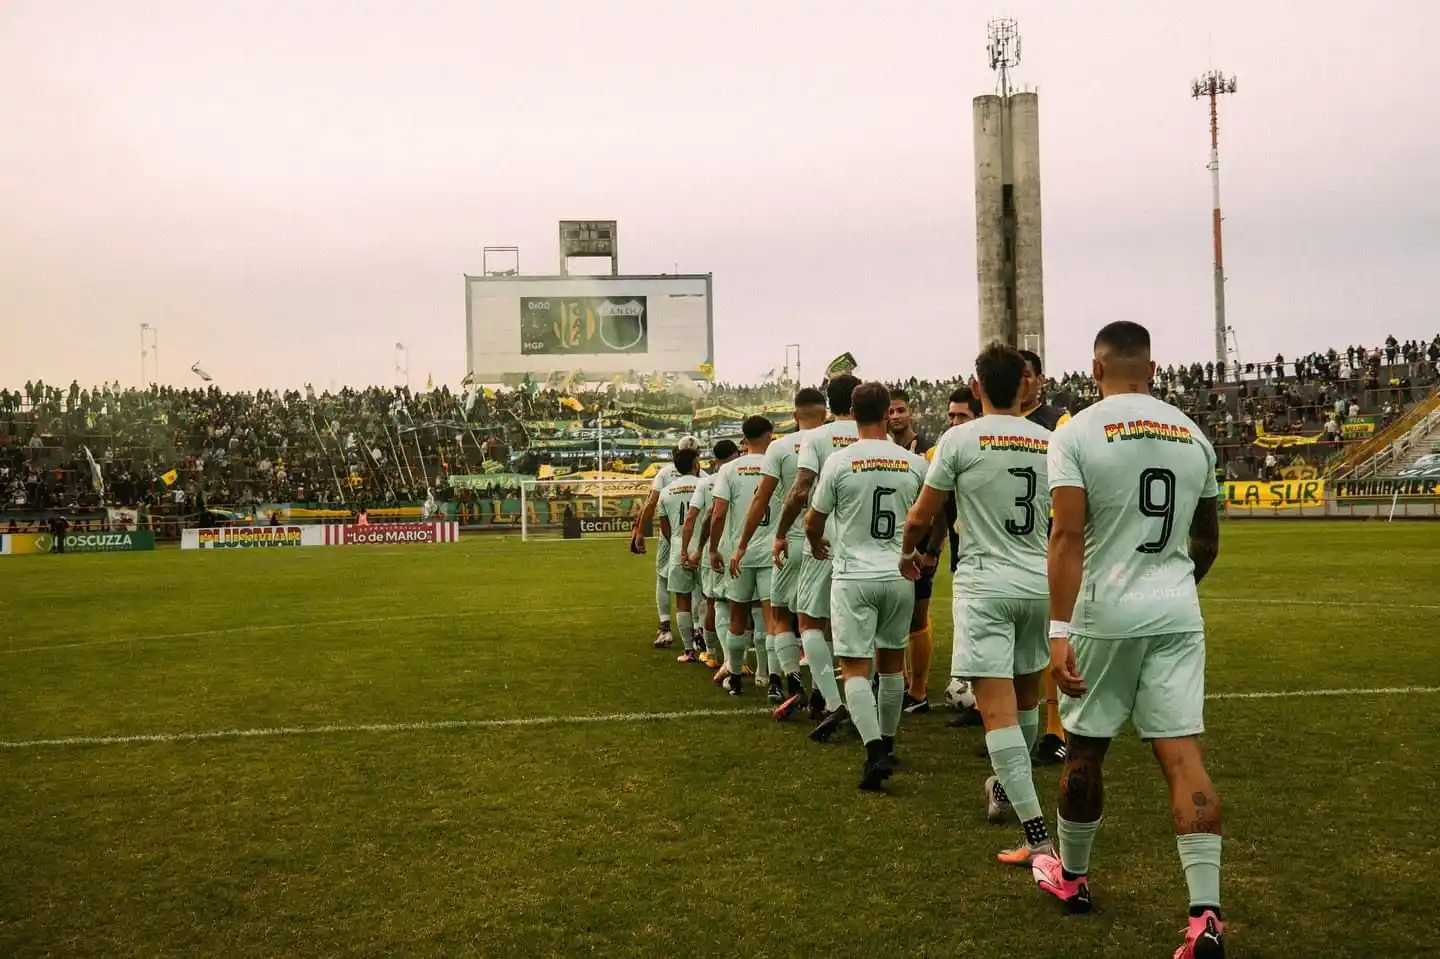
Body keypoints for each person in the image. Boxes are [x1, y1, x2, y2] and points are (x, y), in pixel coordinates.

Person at [1030, 321, 1225, 959]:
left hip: (1103, 615)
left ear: (1095, 369)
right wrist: (1168, 586)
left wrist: (1059, 632)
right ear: (1153, 366)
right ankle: (1204, 918)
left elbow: (1065, 537)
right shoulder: (1192, 434)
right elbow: (1206, 543)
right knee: (1183, 757)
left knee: (1085, 751)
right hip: (1176, 613)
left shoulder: (1078, 432)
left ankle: (1074, 877)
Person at [901, 344, 1056, 867]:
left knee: (998, 714)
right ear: (1025, 385)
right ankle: (1006, 787)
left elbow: (923, 514)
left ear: (976, 385)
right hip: (1038, 582)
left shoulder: (959, 438)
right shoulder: (1049, 440)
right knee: (1028, 699)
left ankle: (1037, 839)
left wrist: (909, 553)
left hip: (986, 584)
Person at [807, 381, 927, 790]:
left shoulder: (840, 462)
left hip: (854, 575)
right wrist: (919, 552)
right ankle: (889, 742)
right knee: (892, 666)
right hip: (898, 573)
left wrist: (814, 542)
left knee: (855, 668)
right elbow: (927, 515)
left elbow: (814, 519)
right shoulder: (912, 462)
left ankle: (874, 750)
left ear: (852, 414)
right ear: (885, 413)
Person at [773, 374, 860, 738]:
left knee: (809, 621)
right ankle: (868, 711)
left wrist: (780, 533)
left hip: (821, 541)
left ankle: (831, 701)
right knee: (857, 630)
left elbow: (799, 490)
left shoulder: (817, 437)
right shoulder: (876, 438)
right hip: (866, 547)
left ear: (831, 404)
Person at [732, 387, 828, 716]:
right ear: (825, 412)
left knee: (781, 615)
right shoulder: (840, 441)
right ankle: (821, 692)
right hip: (828, 544)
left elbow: (761, 498)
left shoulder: (781, 447)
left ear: (794, 413)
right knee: (821, 621)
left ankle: (791, 681)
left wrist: (742, 543)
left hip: (791, 541)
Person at [1018, 349, 1074, 768]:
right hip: (1001, 545)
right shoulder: (994, 422)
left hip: (1046, 540)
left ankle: (1056, 731)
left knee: (1049, 638)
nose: (1021, 384)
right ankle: (1016, 724)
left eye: (1027, 376)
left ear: (1040, 379)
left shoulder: (1058, 421)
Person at [708, 417, 777, 695]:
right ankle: (771, 679)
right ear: (770, 435)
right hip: (772, 551)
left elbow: (719, 512)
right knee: (772, 618)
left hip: (739, 551)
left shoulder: (730, 469)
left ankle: (735, 678)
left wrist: (713, 548)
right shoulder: (779, 463)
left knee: (738, 615)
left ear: (743, 440)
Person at [887, 388, 943, 715]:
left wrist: (934, 548)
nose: (895, 417)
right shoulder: (879, 450)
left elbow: (941, 503)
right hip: (885, 548)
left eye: (901, 411)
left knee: (917, 620)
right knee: (891, 620)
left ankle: (919, 691)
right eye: (891, 412)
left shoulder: (929, 450)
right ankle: (899, 680)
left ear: (912, 413)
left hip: (918, 548)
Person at [630, 436, 705, 649]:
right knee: (699, 586)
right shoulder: (705, 478)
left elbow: (651, 504)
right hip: (698, 540)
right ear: (697, 456)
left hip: (671, 537)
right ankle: (699, 630)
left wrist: (639, 531)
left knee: (663, 580)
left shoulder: (664, 474)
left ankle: (665, 629)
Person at [683, 441, 740, 670]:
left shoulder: (705, 483)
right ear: (735, 454)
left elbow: (694, 517)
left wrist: (694, 549)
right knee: (742, 604)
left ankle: (712, 653)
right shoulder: (744, 476)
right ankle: (736, 660)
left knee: (713, 601)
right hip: (738, 548)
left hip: (713, 549)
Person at [658, 448, 704, 663]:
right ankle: (706, 645)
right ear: (695, 464)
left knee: (682, 600)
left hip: (679, 548)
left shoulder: (666, 491)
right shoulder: (706, 485)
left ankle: (688, 651)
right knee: (708, 598)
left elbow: (664, 527)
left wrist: (677, 543)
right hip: (704, 546)